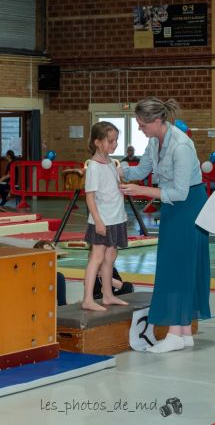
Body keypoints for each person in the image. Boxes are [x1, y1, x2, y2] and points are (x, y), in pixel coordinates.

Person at [119, 98, 210, 353]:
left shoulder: (181, 145)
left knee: (179, 267)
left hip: (188, 205)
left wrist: (141, 190)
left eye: (141, 124)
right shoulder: (153, 142)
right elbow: (141, 170)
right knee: (174, 265)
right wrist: (118, 169)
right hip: (173, 207)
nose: (139, 129)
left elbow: (180, 192)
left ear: (157, 121)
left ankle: (174, 331)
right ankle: (182, 332)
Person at [82, 121, 129, 311]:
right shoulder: (93, 166)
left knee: (111, 257)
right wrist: (99, 221)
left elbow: (112, 188)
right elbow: (90, 197)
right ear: (97, 142)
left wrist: (122, 185)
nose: (115, 144)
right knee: (97, 257)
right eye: (110, 141)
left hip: (116, 217)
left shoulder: (110, 162)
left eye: (116, 140)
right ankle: (87, 299)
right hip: (103, 220)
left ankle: (108, 294)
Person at [33, 240, 67, 306]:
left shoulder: (57, 277)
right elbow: (62, 304)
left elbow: (62, 303)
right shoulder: (58, 277)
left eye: (52, 254)